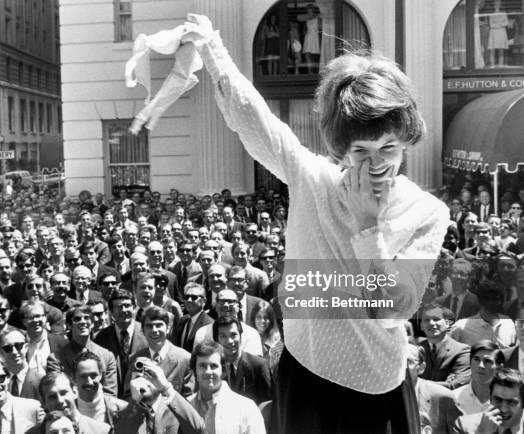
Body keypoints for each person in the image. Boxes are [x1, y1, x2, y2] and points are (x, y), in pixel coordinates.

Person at [179, 14, 450, 433]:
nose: (376, 165)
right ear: (341, 148)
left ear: (407, 139)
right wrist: (212, 48)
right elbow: (254, 119)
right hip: (304, 375)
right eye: (361, 150)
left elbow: (394, 310)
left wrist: (367, 227)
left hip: (375, 388)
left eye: (389, 147)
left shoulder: (428, 211)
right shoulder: (312, 179)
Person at [188, 340, 266, 434]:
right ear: (194, 371)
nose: (208, 371)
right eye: (202, 366)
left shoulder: (246, 408)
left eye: (213, 366)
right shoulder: (187, 406)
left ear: (224, 371)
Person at [114, 357, 205, 433]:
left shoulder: (177, 409)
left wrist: (166, 388)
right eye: (138, 377)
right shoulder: (125, 413)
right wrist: (135, 403)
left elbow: (198, 428)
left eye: (149, 375)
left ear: (160, 378)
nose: (143, 381)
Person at [126, 306, 194, 398]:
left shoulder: (185, 359)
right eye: (149, 326)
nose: (154, 330)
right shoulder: (134, 359)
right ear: (142, 330)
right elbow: (127, 397)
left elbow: (188, 401)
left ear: (168, 328)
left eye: (159, 325)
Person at [213, 315, 272, 405]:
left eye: (233, 335)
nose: (229, 341)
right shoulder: (214, 366)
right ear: (217, 340)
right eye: (223, 336)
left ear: (240, 335)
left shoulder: (259, 366)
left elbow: (267, 404)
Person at [26, 371, 110, 434]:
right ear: (44, 403)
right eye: (52, 397)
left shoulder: (101, 431)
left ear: (75, 392)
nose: (60, 400)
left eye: (63, 393)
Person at [406, 344, 460, 434]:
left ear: (421, 368)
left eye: (409, 362)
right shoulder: (381, 398)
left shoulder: (444, 398)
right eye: (398, 361)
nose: (403, 367)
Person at [453, 367, 524, 433]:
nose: (503, 409)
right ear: (490, 398)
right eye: (498, 400)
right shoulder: (464, 425)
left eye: (511, 402)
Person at [419, 302, 471, 390]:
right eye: (426, 320)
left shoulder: (463, 351)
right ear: (422, 326)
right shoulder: (414, 348)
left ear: (447, 323)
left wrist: (417, 382)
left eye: (436, 319)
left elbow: (455, 385)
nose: (431, 323)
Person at [72, 351, 127, 429]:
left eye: (93, 375)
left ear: (101, 375)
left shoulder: (122, 409)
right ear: (73, 378)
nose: (89, 382)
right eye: (83, 376)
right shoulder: (67, 414)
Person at [454, 341, 504, 415]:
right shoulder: (454, 399)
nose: (481, 365)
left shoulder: (507, 401)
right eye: (476, 359)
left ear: (499, 368)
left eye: (487, 361)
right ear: (470, 362)